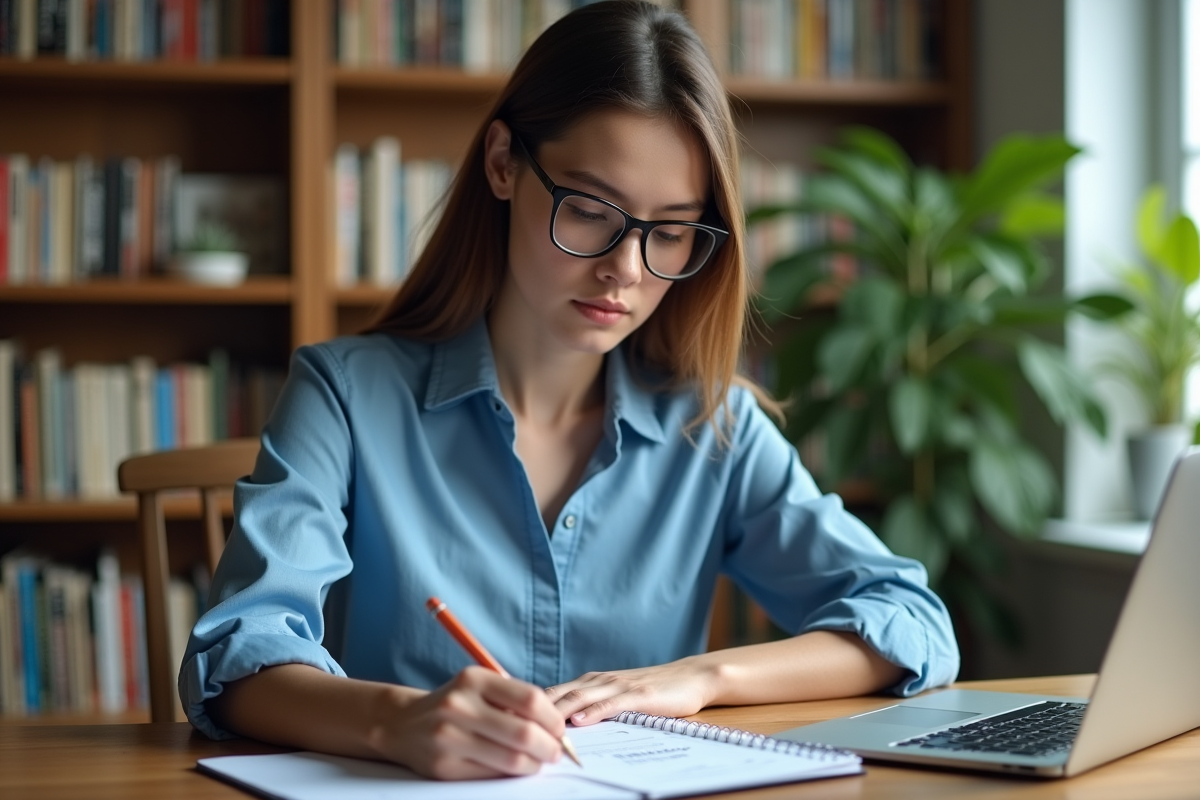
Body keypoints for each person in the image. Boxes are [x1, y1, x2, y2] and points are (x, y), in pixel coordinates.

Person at [180, 0, 959, 782]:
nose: (625, 268)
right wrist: (397, 722)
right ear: (502, 164)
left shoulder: (711, 425)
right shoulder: (346, 395)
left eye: (672, 231)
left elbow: (909, 620)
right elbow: (238, 658)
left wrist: (699, 679)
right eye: (589, 211)